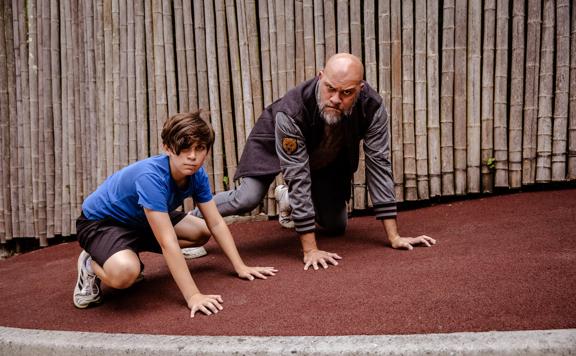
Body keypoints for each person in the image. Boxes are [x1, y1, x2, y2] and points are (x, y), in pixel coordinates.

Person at [192, 53, 436, 271]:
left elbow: (379, 165)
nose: (335, 99)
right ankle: (191, 218)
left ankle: (287, 199)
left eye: (346, 93)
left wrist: (394, 237)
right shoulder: (292, 109)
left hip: (324, 154)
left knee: (335, 225)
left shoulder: (372, 108)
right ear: (320, 77)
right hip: (273, 140)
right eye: (329, 88)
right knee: (248, 197)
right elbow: (298, 175)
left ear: (360, 89)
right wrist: (310, 250)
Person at [73, 111, 277, 317]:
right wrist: (193, 296)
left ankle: (125, 251)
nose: (192, 156)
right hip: (102, 222)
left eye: (200, 148)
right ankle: (90, 264)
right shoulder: (151, 177)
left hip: (142, 218)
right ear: (168, 148)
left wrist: (241, 267)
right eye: (185, 148)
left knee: (202, 232)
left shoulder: (197, 174)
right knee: (126, 274)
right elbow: (168, 242)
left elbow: (215, 222)